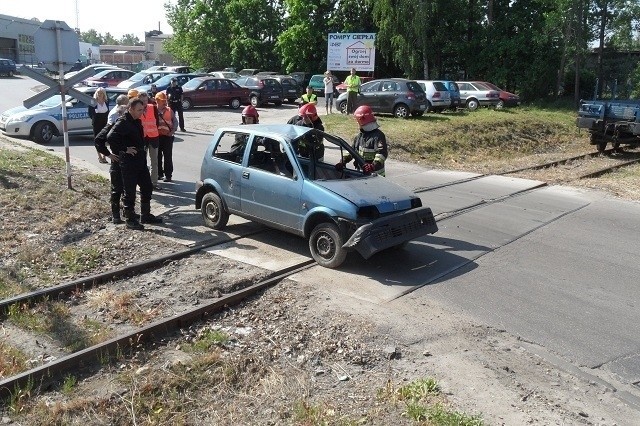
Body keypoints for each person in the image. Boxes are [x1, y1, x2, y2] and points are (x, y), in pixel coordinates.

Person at [106, 98, 163, 230]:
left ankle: (145, 215)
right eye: (139, 110)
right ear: (130, 108)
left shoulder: (136, 121)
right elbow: (110, 137)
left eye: (142, 110)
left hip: (140, 160)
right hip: (129, 162)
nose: (141, 112)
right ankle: (130, 219)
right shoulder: (123, 121)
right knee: (129, 191)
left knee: (147, 186)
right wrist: (124, 149)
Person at [95, 95, 129, 224]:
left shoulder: (130, 125)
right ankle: (116, 215)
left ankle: (128, 212)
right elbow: (98, 140)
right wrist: (108, 155)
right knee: (117, 189)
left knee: (128, 188)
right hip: (117, 161)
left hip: (129, 163)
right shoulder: (112, 127)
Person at [335, 105, 388, 176]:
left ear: (362, 120)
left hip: (376, 176)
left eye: (357, 121)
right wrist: (342, 162)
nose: (357, 123)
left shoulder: (378, 136)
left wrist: (372, 166)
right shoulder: (360, 136)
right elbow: (351, 151)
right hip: (362, 174)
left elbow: (381, 154)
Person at [137, 91, 162, 189]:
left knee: (154, 161)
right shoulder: (137, 109)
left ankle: (154, 183)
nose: (144, 102)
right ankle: (142, 183)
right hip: (142, 139)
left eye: (145, 100)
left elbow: (157, 122)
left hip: (154, 138)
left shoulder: (153, 107)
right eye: (142, 101)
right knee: (142, 162)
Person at [155, 92, 178, 182]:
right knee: (157, 156)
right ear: (157, 101)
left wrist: (172, 131)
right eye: (162, 101)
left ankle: (168, 175)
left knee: (168, 156)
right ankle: (159, 174)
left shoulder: (169, 110)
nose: (165, 102)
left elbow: (175, 122)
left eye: (165, 100)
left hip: (167, 137)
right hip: (156, 137)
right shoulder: (153, 111)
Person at [88, 87, 110, 163]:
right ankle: (100, 157)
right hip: (96, 123)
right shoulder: (93, 102)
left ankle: (104, 156)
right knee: (97, 139)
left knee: (104, 139)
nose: (99, 95)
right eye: (98, 93)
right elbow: (90, 114)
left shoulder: (106, 101)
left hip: (105, 122)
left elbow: (108, 112)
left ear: (104, 94)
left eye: (101, 93)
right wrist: (95, 119)